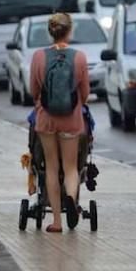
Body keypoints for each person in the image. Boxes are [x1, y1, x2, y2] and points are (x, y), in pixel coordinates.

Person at [30, 13, 90, 233]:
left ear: (50, 31)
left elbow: (33, 91)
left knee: (51, 168)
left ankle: (56, 221)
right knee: (71, 167)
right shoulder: (80, 58)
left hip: (46, 119)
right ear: (70, 31)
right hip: (71, 120)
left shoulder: (38, 57)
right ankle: (71, 199)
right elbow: (85, 94)